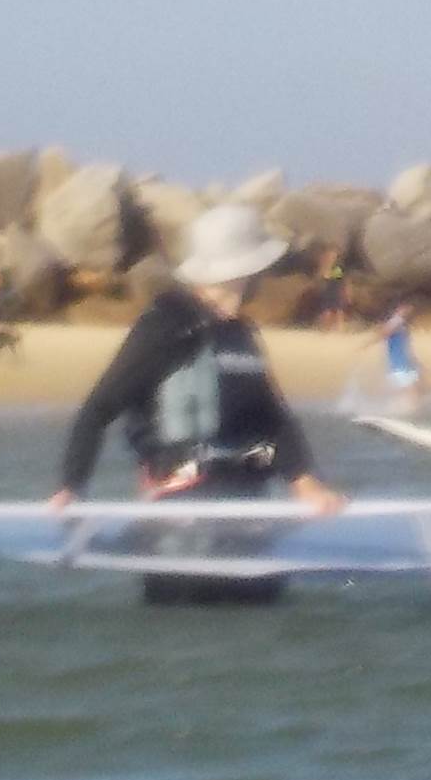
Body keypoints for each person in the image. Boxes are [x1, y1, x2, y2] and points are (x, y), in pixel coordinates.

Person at [52, 201, 342, 604]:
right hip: (178, 529)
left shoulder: (241, 334)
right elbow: (98, 409)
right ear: (244, 270)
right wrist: (72, 486)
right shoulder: (165, 326)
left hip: (247, 522)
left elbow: (273, 419)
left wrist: (306, 482)